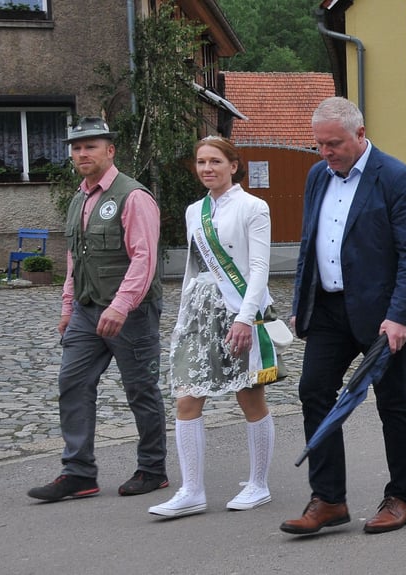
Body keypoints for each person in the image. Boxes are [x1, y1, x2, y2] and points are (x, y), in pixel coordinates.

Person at [280, 97, 406, 535]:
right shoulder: (316, 176)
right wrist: (299, 306)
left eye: (334, 144)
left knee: (393, 403)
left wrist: (401, 315)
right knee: (313, 391)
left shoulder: (395, 178)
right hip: (329, 309)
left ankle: (400, 497)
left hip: (383, 316)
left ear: (360, 135)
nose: (326, 152)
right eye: (319, 145)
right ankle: (328, 499)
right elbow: (311, 243)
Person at [28, 117, 168, 501]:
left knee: (140, 390)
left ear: (110, 150)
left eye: (90, 146)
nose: (81, 153)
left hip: (132, 313)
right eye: (76, 148)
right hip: (88, 311)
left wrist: (121, 306)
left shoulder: (133, 196)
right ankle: (78, 473)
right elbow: (76, 257)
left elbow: (144, 259)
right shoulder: (79, 198)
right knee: (72, 384)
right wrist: (68, 306)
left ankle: (152, 469)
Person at [148, 137, 277, 517]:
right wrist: (184, 313)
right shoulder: (194, 211)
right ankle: (191, 491)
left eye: (216, 161)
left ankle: (258, 484)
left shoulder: (254, 207)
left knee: (250, 398)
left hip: (240, 311)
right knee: (186, 397)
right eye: (202, 162)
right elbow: (194, 267)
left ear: (233, 165)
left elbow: (258, 268)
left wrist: (245, 318)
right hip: (200, 312)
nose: (208, 169)